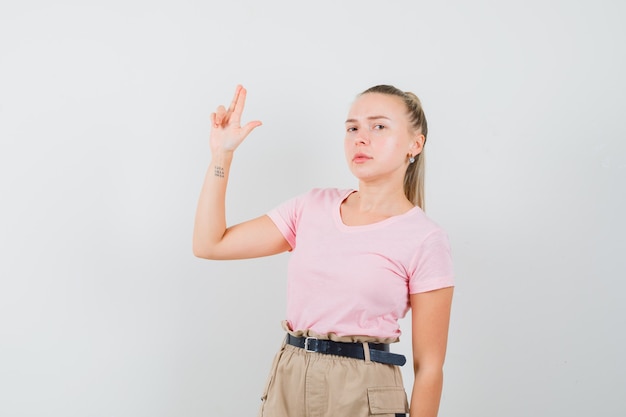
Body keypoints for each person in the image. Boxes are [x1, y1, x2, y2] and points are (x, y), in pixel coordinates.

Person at [193, 84, 455, 417]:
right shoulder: (311, 207)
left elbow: (429, 367)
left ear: (415, 144)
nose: (360, 138)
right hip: (290, 375)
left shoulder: (425, 238)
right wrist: (222, 155)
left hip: (364, 387)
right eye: (352, 128)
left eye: (379, 126)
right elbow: (209, 244)